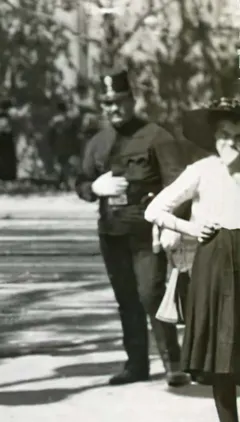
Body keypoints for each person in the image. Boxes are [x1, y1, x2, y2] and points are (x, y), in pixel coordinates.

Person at [75, 69, 189, 387]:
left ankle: (173, 363)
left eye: (119, 102)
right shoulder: (98, 142)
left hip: (146, 232)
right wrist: (95, 188)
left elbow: (178, 185)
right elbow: (81, 182)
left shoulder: (157, 136)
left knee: (151, 294)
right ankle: (136, 365)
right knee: (126, 299)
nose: (113, 109)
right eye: (107, 103)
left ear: (132, 100)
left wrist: (172, 226)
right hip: (112, 234)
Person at [144, 97, 240, 422]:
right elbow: (155, 210)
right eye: (222, 136)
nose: (228, 145)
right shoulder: (201, 170)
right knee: (222, 359)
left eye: (236, 137)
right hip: (213, 266)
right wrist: (190, 227)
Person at [48, 100, 81, 190]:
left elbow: (51, 134)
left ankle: (63, 183)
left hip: (58, 146)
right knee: (66, 165)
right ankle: (63, 183)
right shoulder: (70, 119)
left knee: (62, 164)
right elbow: (75, 133)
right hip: (69, 145)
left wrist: (51, 145)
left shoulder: (54, 120)